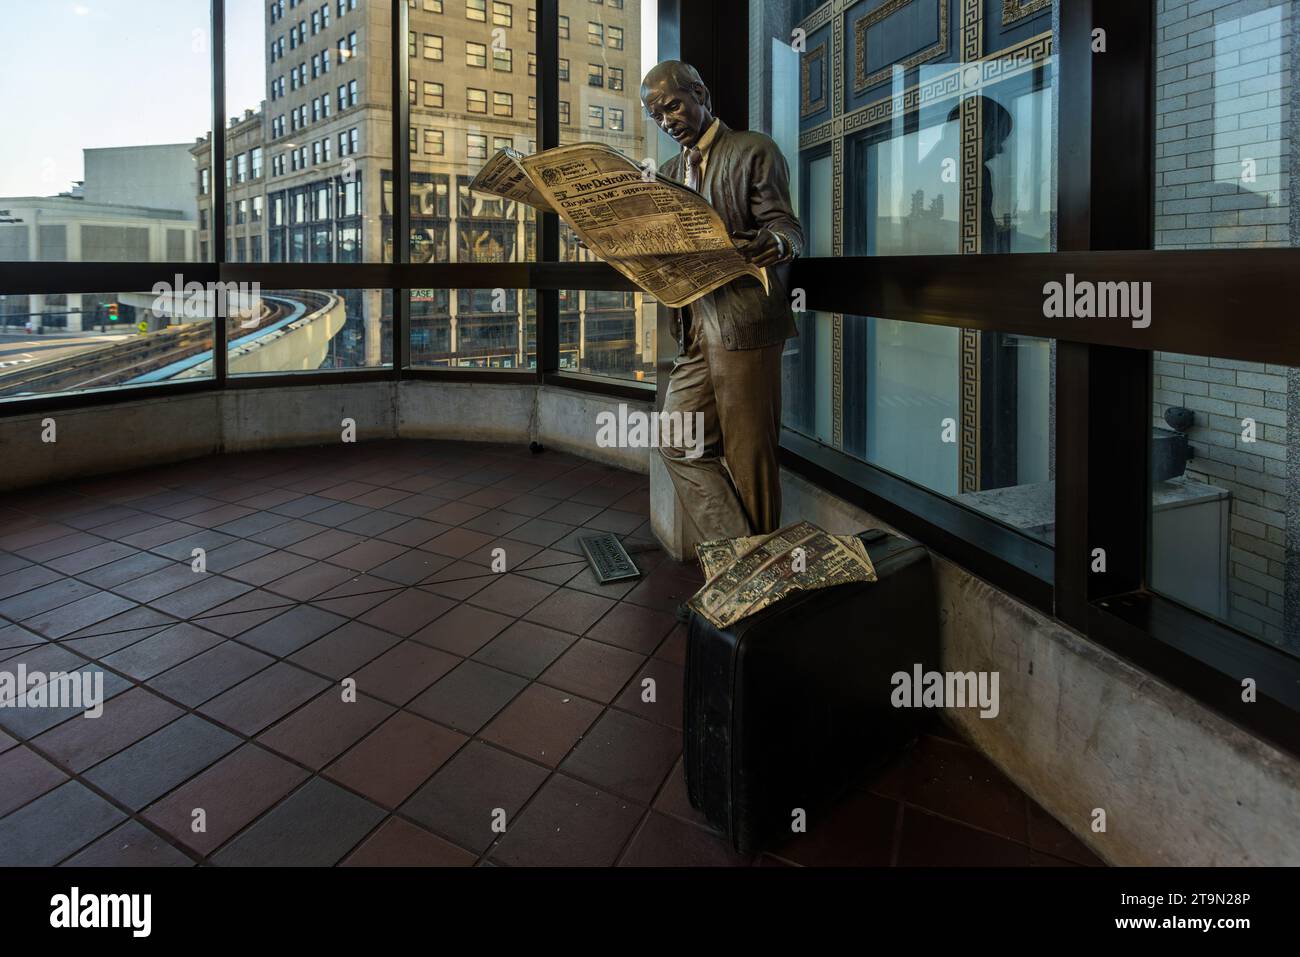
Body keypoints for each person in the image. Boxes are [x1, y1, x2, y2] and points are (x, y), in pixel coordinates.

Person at [640, 59, 804, 551]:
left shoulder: (754, 150)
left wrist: (775, 243)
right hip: (692, 329)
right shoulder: (668, 173)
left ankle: (760, 589)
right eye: (656, 115)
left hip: (745, 324)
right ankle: (742, 565)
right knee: (676, 441)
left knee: (749, 457)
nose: (667, 120)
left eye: (672, 105)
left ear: (701, 94)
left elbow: (787, 226)